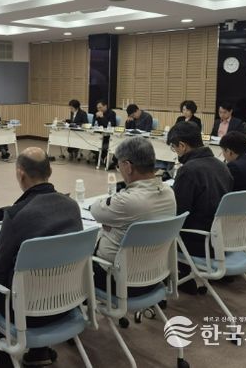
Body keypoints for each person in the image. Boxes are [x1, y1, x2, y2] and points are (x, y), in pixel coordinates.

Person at [0, 147, 82, 368]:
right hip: (68, 304)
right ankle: (38, 352)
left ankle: (4, 358)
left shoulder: (16, 214)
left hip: (27, 314)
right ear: (50, 171)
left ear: (20, 174)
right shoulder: (72, 207)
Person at [90, 137, 176, 296]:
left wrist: (111, 225)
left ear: (128, 167)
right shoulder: (169, 193)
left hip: (118, 281)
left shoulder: (127, 201)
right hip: (155, 275)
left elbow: (95, 210)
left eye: (119, 166)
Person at [167, 121, 232, 291]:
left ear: (182, 145)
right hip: (221, 237)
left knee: (153, 230)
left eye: (174, 147)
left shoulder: (189, 170)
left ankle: (164, 279)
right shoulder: (221, 165)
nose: (175, 152)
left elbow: (177, 213)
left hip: (199, 241)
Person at [93, 99, 117, 166]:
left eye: (100, 107)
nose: (99, 109)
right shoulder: (97, 113)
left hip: (107, 137)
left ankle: (102, 157)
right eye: (97, 108)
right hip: (98, 135)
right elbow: (93, 125)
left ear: (105, 106)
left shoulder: (112, 113)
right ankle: (103, 157)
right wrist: (96, 118)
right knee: (89, 143)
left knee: (100, 146)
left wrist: (102, 117)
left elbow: (112, 126)